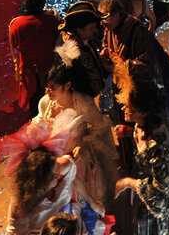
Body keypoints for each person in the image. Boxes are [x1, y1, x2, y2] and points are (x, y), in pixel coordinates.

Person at [34, 44, 120, 225]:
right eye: (47, 87)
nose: (48, 92)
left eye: (52, 87)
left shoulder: (83, 104)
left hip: (77, 163)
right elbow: (40, 124)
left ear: (68, 85)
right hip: (53, 166)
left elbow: (100, 128)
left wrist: (83, 144)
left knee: (83, 208)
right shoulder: (45, 103)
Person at [113, 68, 169, 235]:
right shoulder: (143, 125)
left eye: (129, 108)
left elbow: (160, 190)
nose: (124, 110)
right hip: (148, 196)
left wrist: (128, 182)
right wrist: (129, 133)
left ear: (142, 111)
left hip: (164, 208)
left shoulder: (157, 143)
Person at [3, 124, 78, 235]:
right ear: (39, 182)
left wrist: (92, 201)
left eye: (56, 169)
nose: (58, 175)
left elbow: (74, 179)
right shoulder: (21, 208)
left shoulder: (63, 167)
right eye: (52, 175)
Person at [9, 0, 61, 115]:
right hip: (48, 66)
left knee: (33, 99)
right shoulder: (50, 20)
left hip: (29, 69)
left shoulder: (17, 24)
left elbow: (15, 44)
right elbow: (58, 38)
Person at [58, 1, 107, 99]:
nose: (95, 30)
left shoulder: (86, 41)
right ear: (80, 30)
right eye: (91, 28)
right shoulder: (70, 52)